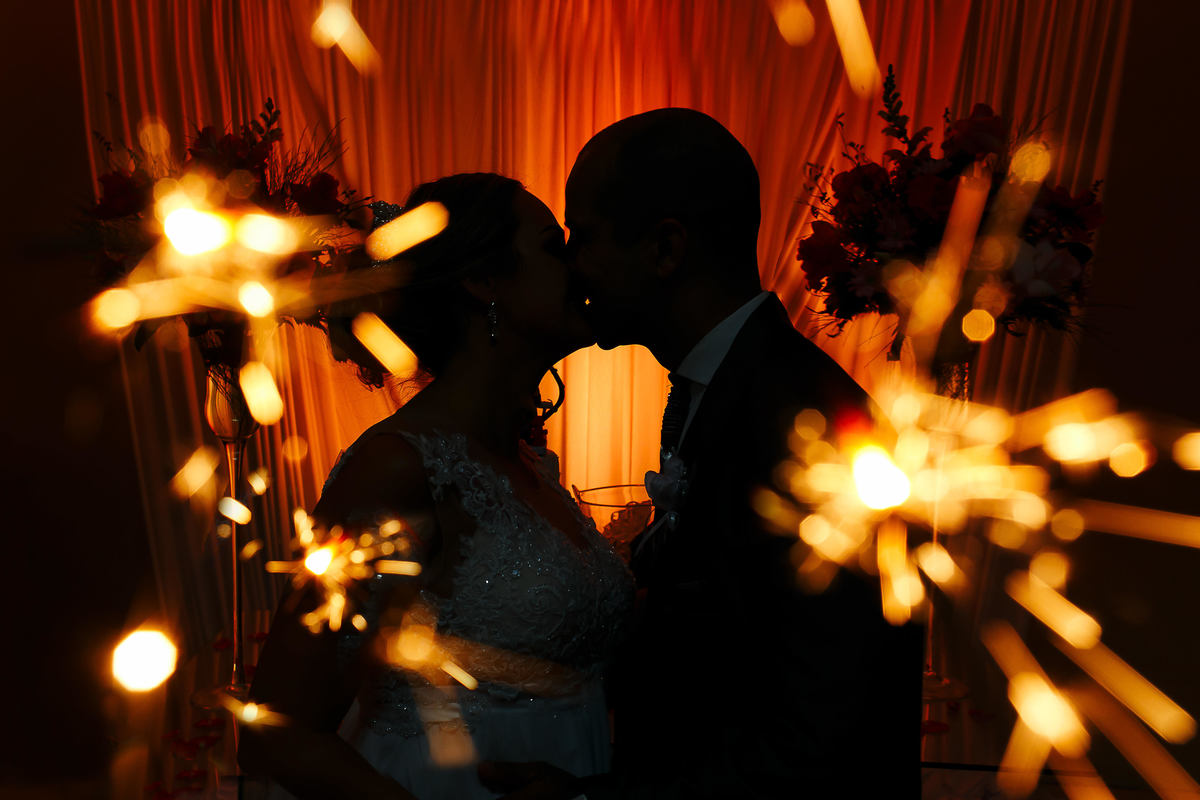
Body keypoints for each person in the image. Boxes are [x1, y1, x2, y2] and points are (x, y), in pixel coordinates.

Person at [483, 109, 921, 799]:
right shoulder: (720, 391)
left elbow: (822, 734)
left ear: (664, 249)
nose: (574, 263)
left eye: (584, 236)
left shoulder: (809, 424)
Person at [239, 173, 634, 799]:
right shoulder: (398, 468)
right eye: (552, 246)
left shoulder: (530, 464)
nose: (579, 268)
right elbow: (277, 728)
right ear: (484, 281)